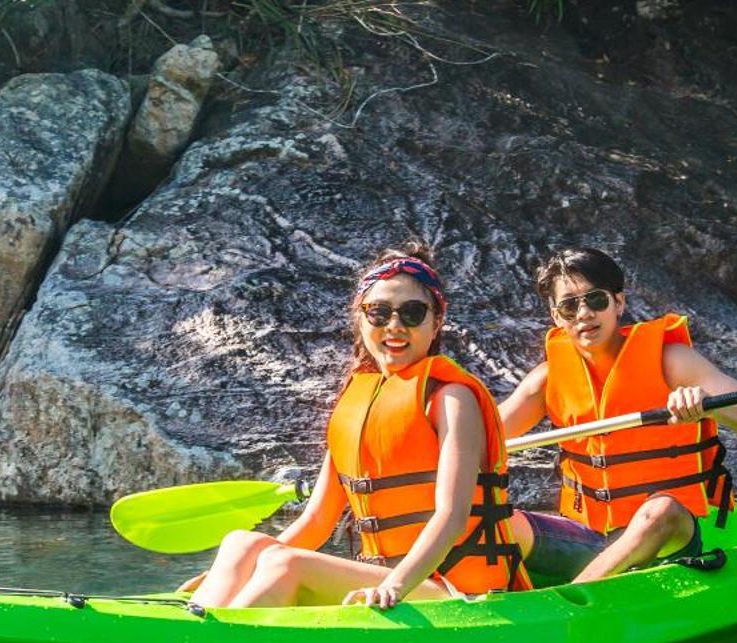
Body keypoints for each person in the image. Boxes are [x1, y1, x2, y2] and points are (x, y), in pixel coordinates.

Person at [188, 247, 529, 610]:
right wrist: (247, 565)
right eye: (379, 312)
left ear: (437, 320)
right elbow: (318, 520)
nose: (394, 326)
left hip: (449, 588)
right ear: (360, 317)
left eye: (412, 313)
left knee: (284, 564)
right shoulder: (357, 403)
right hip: (382, 577)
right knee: (244, 543)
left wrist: (394, 586)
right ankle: (193, 622)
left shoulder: (451, 399)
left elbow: (452, 516)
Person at [499, 248, 737, 584]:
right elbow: (481, 438)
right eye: (569, 305)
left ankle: (570, 605)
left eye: (596, 300)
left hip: (670, 536)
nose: (584, 313)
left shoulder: (672, 360)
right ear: (556, 315)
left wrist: (707, 402)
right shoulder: (547, 379)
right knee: (495, 522)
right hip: (590, 538)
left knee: (659, 510)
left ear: (618, 303)